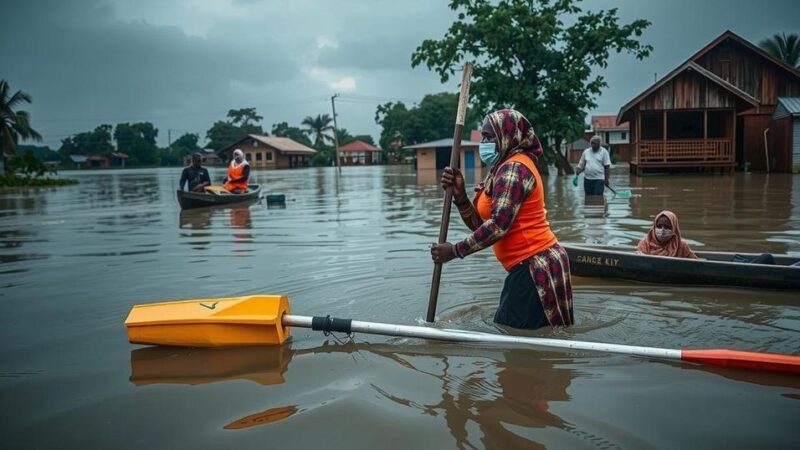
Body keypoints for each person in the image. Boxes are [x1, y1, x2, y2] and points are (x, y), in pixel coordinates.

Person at [430, 109, 574, 330]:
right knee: (523, 336)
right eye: (483, 137)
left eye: (490, 137)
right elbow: (482, 225)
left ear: (507, 137)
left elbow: (499, 226)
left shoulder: (514, 169)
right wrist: (461, 197)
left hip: (534, 266)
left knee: (513, 340)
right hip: (531, 266)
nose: (484, 143)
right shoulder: (501, 168)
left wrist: (455, 251)